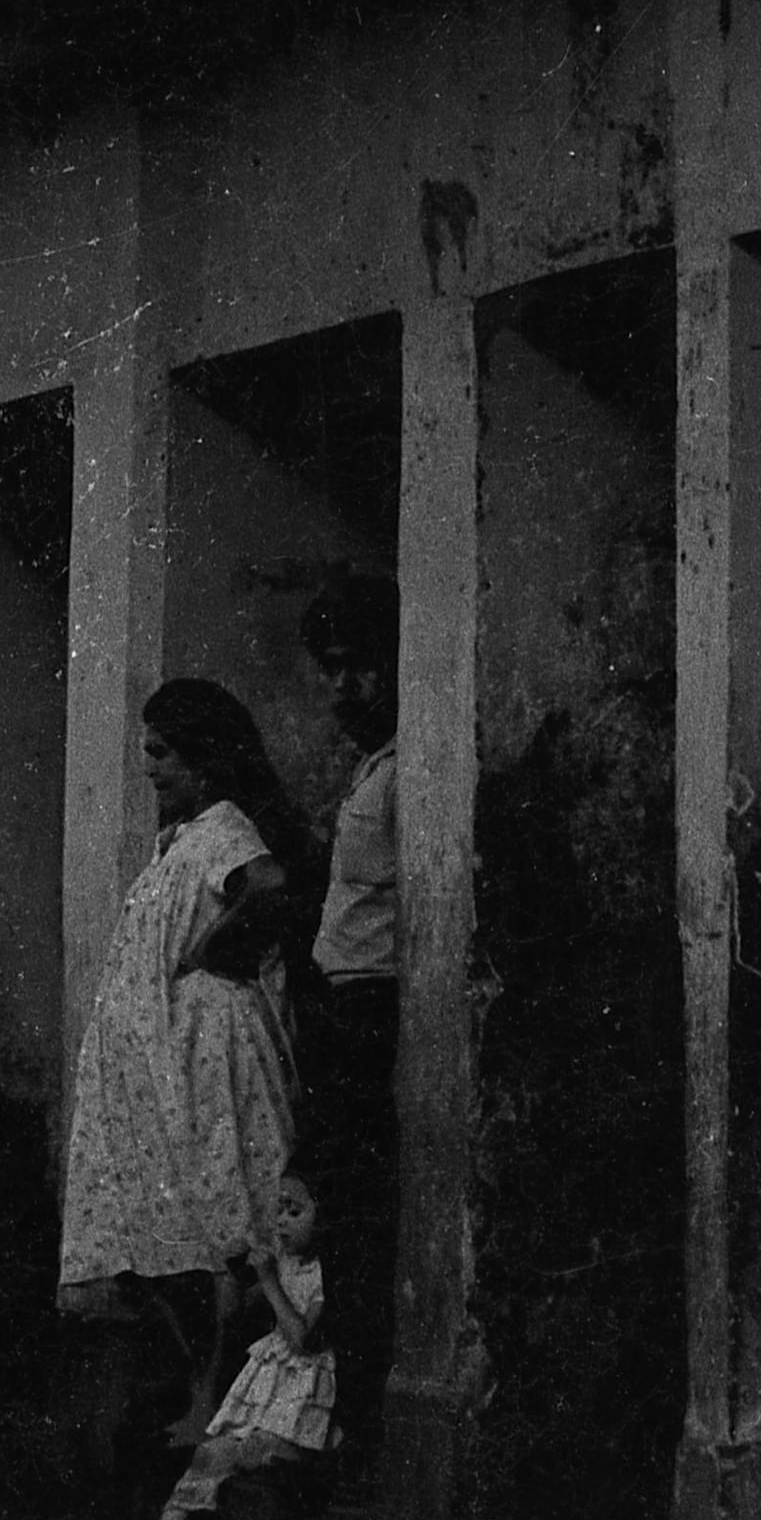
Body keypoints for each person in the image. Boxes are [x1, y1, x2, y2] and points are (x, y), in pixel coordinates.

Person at [54, 679, 305, 1520]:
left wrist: (213, 948)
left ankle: (210, 1404)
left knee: (224, 1223)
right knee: (177, 1240)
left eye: (163, 752)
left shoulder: (224, 829)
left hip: (206, 1058)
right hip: (169, 1069)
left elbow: (269, 885)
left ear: (204, 758)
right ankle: (196, 1404)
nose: (150, 767)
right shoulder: (179, 842)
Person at [107, 1166, 339, 1520]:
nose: (282, 1221)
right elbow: (236, 1311)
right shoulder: (285, 1262)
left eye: (295, 1211)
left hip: (298, 1405)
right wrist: (233, 1273)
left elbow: (302, 1338)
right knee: (207, 1456)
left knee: (225, 1457)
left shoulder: (324, 1273)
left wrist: (268, 1281)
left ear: (322, 1216)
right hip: (267, 1394)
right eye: (279, 1210)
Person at [296, 577, 402, 1471]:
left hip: (375, 1011)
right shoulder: (372, 769)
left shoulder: (408, 774)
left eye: (353, 668)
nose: (340, 688)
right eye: (330, 670)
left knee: (366, 1222)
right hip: (342, 1010)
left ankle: (366, 1423)